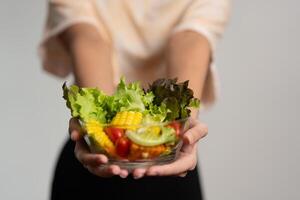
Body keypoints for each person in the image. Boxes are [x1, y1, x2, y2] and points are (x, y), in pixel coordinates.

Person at [39, 0, 230, 199]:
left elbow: (191, 39)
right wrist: (103, 136)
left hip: (169, 158)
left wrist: (183, 123)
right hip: (93, 165)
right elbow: (87, 37)